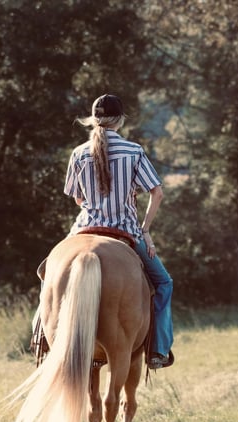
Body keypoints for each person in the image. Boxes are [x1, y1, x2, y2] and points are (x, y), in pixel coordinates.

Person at [63, 94, 174, 369]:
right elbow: (157, 194)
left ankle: (41, 336)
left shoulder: (78, 153)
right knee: (163, 283)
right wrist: (145, 230)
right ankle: (158, 350)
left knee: (46, 274)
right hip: (124, 231)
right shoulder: (134, 152)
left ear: (93, 120)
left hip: (83, 230)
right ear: (120, 120)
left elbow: (77, 198)